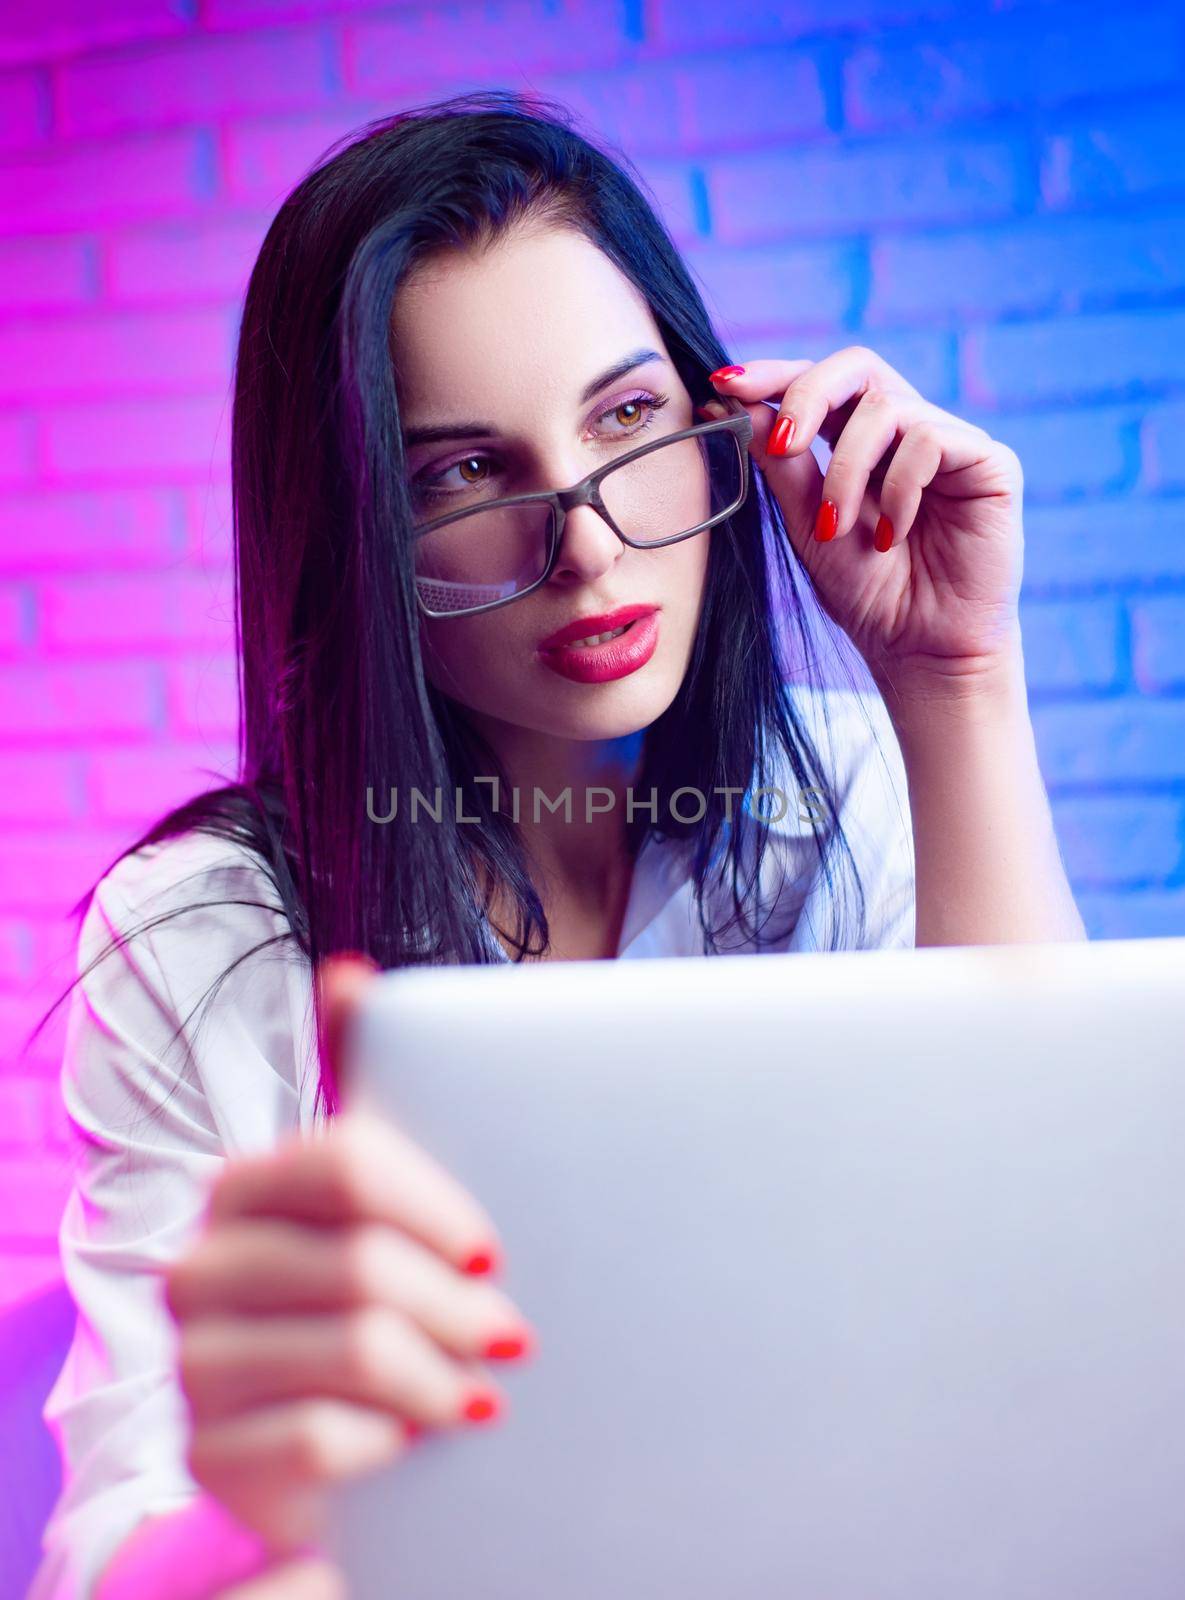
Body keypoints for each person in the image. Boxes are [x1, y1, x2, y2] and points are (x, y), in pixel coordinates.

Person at [26, 86, 1084, 1600]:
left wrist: (953, 681)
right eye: (461, 472)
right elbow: (107, 1565)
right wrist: (259, 1512)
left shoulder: (847, 789)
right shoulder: (202, 931)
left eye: (626, 417)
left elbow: (1047, 1273)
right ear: (356, 533)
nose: (583, 547)